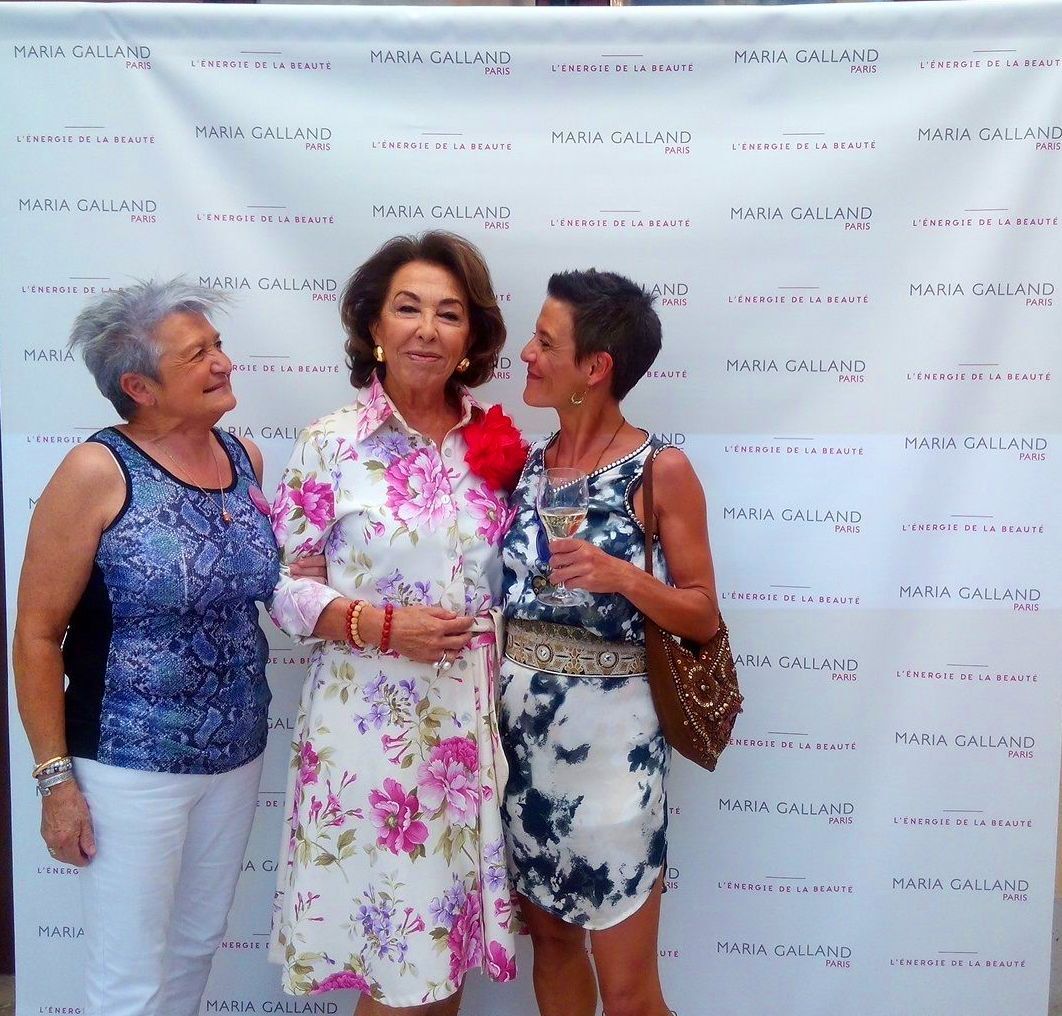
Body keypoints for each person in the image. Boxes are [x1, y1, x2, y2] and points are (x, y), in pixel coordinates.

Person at [268, 231, 522, 1015]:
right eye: (408, 309)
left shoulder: (496, 446)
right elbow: (285, 590)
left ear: (471, 338)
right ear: (373, 325)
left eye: (450, 314)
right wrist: (381, 626)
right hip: (369, 739)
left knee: (440, 959)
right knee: (395, 967)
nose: (428, 330)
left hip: (468, 732)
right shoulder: (331, 444)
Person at [12, 280, 280, 1016]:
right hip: (127, 764)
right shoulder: (96, 472)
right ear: (139, 386)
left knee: (195, 947)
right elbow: (36, 633)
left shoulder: (244, 457)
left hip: (236, 754)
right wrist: (55, 782)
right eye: (198, 354)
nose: (223, 362)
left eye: (218, 345)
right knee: (127, 974)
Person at [499, 269, 721, 1016]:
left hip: (614, 753)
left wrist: (622, 576)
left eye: (544, 341)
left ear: (594, 367)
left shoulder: (661, 470)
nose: (527, 354)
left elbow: (701, 614)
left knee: (628, 992)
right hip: (523, 747)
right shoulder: (529, 466)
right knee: (555, 945)